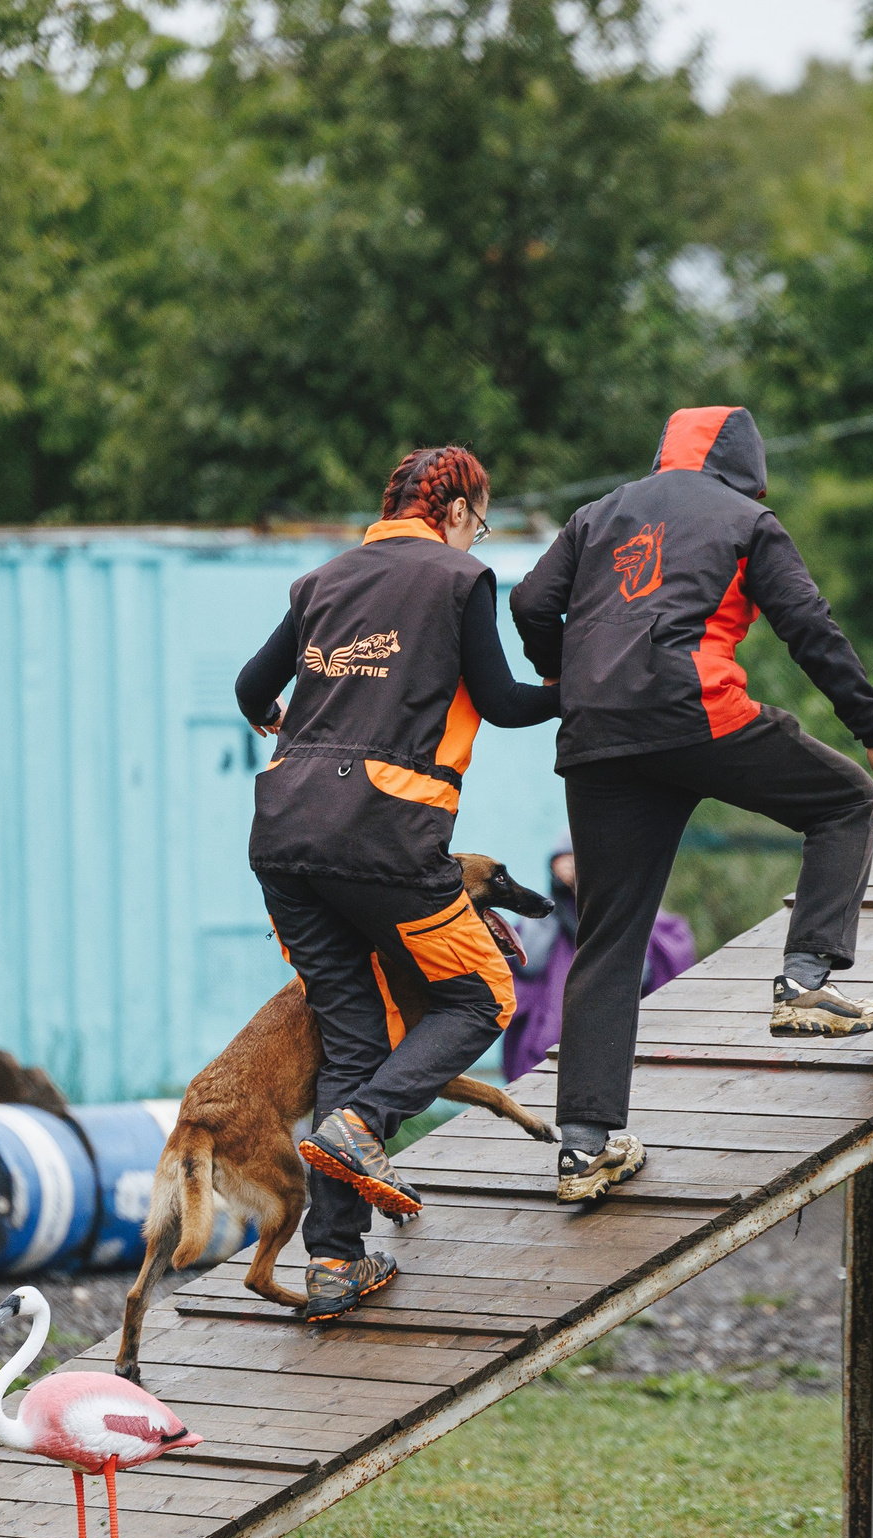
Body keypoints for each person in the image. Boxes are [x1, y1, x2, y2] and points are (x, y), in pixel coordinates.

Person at [511, 405, 873, 1204]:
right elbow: (809, 626)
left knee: (607, 936)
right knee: (844, 801)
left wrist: (566, 674)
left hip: (598, 737)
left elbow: (528, 602)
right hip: (695, 712)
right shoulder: (746, 519)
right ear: (744, 467)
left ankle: (583, 1146)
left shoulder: (597, 514)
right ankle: (804, 980)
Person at [236, 446, 559, 1321]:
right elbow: (501, 700)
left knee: (352, 1038)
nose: (475, 539)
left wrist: (279, 721)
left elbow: (252, 687)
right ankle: (364, 1123)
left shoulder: (322, 581)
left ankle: (334, 1262)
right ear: (454, 511)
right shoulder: (459, 579)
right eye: (478, 523)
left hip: (283, 838)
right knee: (481, 995)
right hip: (383, 832)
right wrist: (574, 690)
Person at [503, 835, 693, 1081]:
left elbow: (643, 973)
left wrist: (600, 902)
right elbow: (529, 964)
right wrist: (551, 904)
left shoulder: (626, 907)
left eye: (579, 859)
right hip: (548, 1037)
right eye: (564, 859)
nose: (572, 866)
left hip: (611, 1032)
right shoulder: (546, 915)